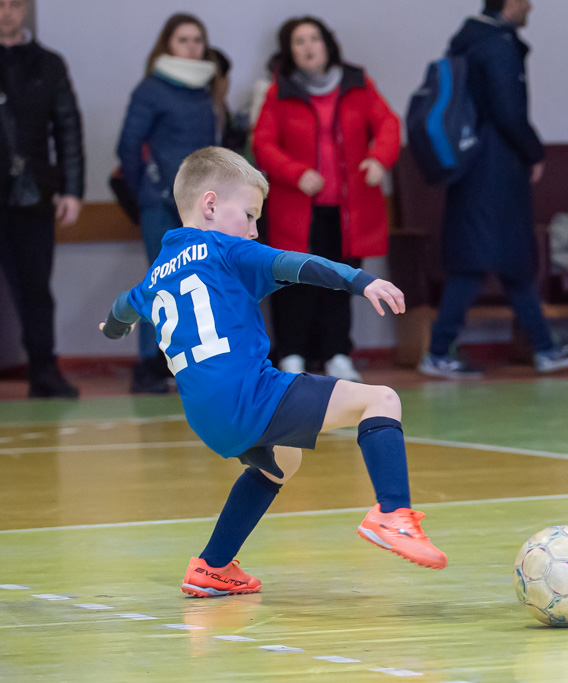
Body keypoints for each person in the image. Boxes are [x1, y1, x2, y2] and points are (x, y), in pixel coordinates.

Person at [100, 147, 446, 598]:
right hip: (250, 396)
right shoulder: (225, 248)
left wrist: (112, 329)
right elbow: (296, 264)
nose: (254, 230)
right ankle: (393, 514)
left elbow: (121, 309)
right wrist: (362, 281)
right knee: (381, 400)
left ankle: (212, 566)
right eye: (248, 215)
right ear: (210, 205)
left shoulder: (155, 275)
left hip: (207, 418)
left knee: (284, 459)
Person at [417, 0, 568, 379]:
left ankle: (544, 346)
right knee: (480, 264)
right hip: (495, 168)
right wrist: (533, 152)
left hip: (473, 165)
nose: (531, 5)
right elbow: (508, 110)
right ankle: (439, 352)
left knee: (508, 262)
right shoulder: (496, 45)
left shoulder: (468, 40)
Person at [253, 17, 399, 383]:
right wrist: (295, 172)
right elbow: (263, 144)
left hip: (348, 211)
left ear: (327, 44)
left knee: (343, 281)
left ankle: (337, 355)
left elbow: (388, 125)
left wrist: (379, 159)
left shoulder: (358, 84)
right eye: (298, 41)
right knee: (293, 284)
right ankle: (291, 355)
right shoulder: (279, 92)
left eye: (314, 38)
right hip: (296, 211)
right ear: (289, 51)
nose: (308, 47)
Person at [117, 13, 217, 393]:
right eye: (183, 39)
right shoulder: (151, 89)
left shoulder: (205, 89)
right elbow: (128, 146)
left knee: (197, 282)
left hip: (198, 202)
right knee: (160, 280)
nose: (191, 47)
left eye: (197, 40)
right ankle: (149, 364)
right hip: (161, 200)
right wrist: (146, 187)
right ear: (167, 45)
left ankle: (187, 363)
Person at [0, 0, 82, 398]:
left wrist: (72, 189)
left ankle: (44, 370)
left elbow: (67, 128)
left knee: (35, 288)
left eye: (14, 3)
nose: (6, 11)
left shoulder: (48, 64)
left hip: (30, 193)